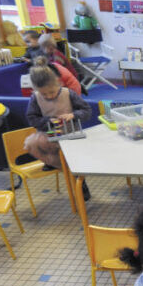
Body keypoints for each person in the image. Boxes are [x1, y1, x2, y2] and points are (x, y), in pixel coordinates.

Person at [23, 65, 92, 200]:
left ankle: (80, 181)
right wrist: (48, 121)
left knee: (73, 158)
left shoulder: (68, 93)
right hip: (50, 136)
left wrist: (73, 115)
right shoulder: (35, 98)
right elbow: (32, 118)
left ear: (58, 83)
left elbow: (87, 111)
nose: (49, 96)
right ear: (36, 90)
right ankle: (59, 165)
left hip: (70, 135)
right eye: (44, 94)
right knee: (31, 143)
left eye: (52, 92)